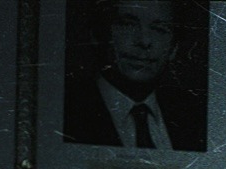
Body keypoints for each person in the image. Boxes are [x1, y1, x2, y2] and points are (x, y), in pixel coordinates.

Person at [63, 1, 207, 152]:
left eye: (159, 29)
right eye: (128, 25)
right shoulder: (69, 112)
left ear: (174, 48)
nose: (144, 41)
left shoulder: (194, 118)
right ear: (97, 34)